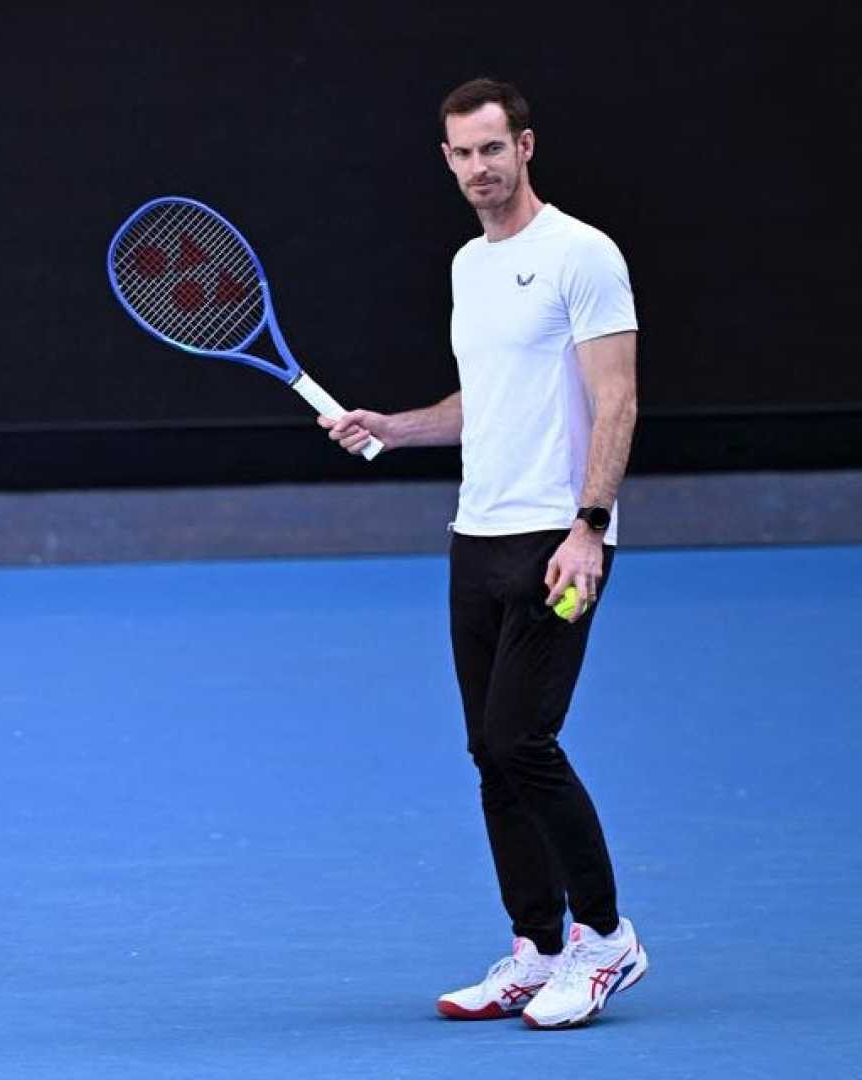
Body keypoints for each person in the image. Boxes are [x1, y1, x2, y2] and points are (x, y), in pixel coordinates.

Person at [321, 77, 647, 1029]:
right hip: (478, 536)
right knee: (488, 755)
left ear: (526, 147)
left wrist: (589, 525)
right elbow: (487, 405)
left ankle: (605, 940)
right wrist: (396, 426)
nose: (477, 169)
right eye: (461, 154)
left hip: (559, 541)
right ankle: (536, 949)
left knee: (523, 740)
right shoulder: (468, 266)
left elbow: (615, 397)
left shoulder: (583, 255)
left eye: (491, 149)